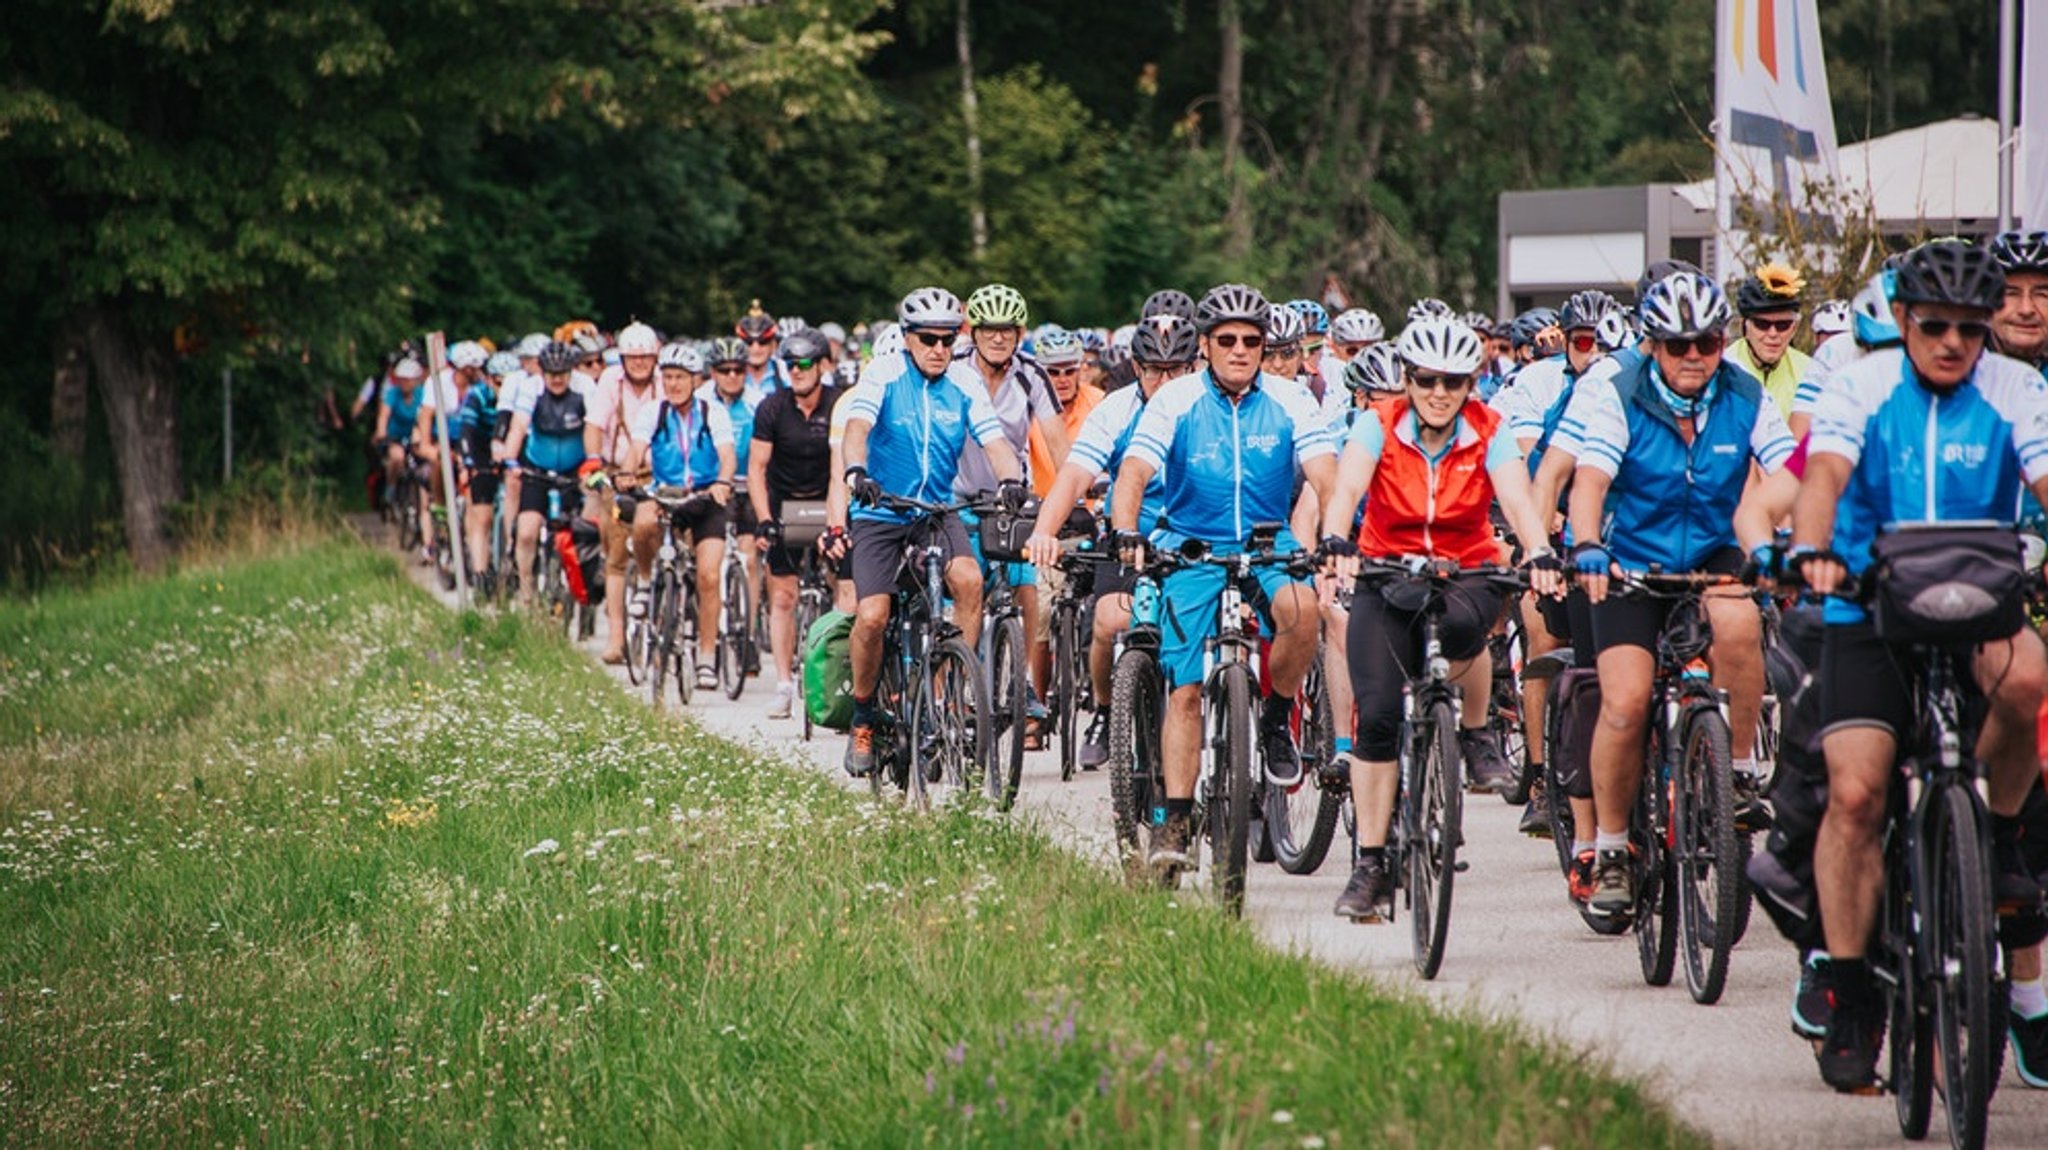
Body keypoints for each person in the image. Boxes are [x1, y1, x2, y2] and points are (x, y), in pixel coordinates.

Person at [1790, 239, 2048, 1093]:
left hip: (1978, 594)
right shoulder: (1860, 385)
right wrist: (1810, 549)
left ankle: (2001, 837)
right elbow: (1824, 473)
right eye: (1933, 326)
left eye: (1970, 331)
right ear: (1901, 321)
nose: (1952, 344)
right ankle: (1853, 987)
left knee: (2026, 680)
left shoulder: (2017, 389)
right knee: (1857, 792)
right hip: (1865, 597)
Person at [1559, 270, 1793, 921]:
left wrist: (1801, 540)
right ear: (1653, 344)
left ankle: (1738, 773)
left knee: (1741, 625)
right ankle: (1610, 849)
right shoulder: (1618, 392)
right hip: (1629, 560)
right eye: (1678, 344)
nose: (1694, 356)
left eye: (1708, 343)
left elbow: (1788, 468)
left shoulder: (1746, 394)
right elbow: (1589, 483)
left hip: (1714, 550)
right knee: (1628, 702)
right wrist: (1586, 545)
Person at [1318, 315, 1560, 919]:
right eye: (1426, 380)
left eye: (1453, 382)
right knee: (1375, 715)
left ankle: (1475, 734)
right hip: (1385, 570)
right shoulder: (1377, 426)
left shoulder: (1489, 430)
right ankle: (1371, 863)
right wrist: (1336, 540)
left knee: (1462, 626)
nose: (1439, 393)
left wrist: (1539, 551)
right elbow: (1346, 490)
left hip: (1464, 565)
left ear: (1471, 383)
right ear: (1408, 379)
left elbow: (1516, 498)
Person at [1109, 283, 1338, 871]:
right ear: (1206, 345)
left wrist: (1336, 535)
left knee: (1304, 612)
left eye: (1252, 341)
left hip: (1268, 544)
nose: (1240, 350)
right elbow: (1134, 471)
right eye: (1228, 340)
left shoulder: (1290, 400)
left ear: (1265, 347)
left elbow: (1324, 472)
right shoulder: (1176, 398)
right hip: (1190, 547)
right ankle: (1176, 823)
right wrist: (1127, 531)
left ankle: (1274, 719)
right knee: (1184, 690)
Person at [839, 287, 1026, 778]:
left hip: (934, 512)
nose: (939, 349)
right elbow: (858, 427)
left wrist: (1011, 481)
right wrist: (857, 471)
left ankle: (945, 692)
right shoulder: (884, 373)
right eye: (928, 339)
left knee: (969, 580)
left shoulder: (964, 381)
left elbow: (994, 441)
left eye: (949, 339)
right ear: (907, 339)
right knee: (874, 615)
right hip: (881, 512)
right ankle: (863, 715)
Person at [1025, 313, 1198, 769]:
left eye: (1176, 369)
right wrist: (1044, 530)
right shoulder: (1117, 408)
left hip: (1192, 536)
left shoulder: (1206, 405)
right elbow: (1075, 473)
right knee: (1105, 621)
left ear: (1192, 367)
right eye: (1155, 369)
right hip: (1130, 535)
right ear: (1137, 368)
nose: (1165, 380)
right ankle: (1104, 709)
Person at [952, 284, 1069, 737]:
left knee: (1025, 583)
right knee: (967, 591)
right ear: (974, 332)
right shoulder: (957, 371)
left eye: (1007, 331)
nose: (998, 339)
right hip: (957, 495)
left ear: (1019, 333)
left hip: (1010, 497)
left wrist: (1073, 500)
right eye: (989, 330)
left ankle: (1021, 682)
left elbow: (1057, 441)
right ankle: (956, 692)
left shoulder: (1031, 376)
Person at [626, 341, 737, 684]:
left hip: (705, 496)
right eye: (668, 377)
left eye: (680, 377)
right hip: (665, 493)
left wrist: (723, 481)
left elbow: (728, 455)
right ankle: (645, 581)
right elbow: (636, 451)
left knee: (707, 575)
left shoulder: (712, 411)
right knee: (643, 521)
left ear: (696, 380)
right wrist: (627, 473)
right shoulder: (653, 412)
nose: (673, 384)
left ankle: (706, 656)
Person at [748, 328, 845, 720]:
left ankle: (839, 675)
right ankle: (785, 685)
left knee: (847, 588)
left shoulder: (839, 404)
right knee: (783, 597)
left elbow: (847, 466)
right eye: (790, 364)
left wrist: (840, 520)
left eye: (805, 363)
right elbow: (756, 469)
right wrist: (764, 521)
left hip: (829, 504)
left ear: (821, 365)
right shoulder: (772, 407)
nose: (797, 371)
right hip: (784, 506)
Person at [502, 340, 605, 606]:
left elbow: (595, 426)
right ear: (543, 373)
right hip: (537, 467)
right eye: (551, 374)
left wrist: (595, 462)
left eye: (562, 374)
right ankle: (526, 589)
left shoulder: (585, 388)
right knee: (526, 532)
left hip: (575, 469)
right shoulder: (531, 388)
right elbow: (518, 426)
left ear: (571, 372)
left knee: (586, 525)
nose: (556, 380)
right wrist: (511, 460)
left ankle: (588, 585)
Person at [590, 321, 665, 664]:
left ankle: (666, 621)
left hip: (659, 474)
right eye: (632, 357)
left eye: (645, 357)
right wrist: (592, 462)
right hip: (618, 471)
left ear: (654, 357)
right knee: (616, 556)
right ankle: (617, 639)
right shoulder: (610, 381)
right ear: (622, 359)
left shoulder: (667, 381)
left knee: (660, 543)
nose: (639, 363)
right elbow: (595, 425)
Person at [1728, 263, 1812, 419]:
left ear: (1794, 328)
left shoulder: (1810, 372)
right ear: (1744, 326)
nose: (1773, 334)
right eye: (1762, 324)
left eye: (1782, 325)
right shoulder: (1724, 367)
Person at [736, 302, 790, 399]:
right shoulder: (729, 373)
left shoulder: (786, 372)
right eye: (749, 342)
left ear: (773, 345)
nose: (755, 348)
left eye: (763, 342)